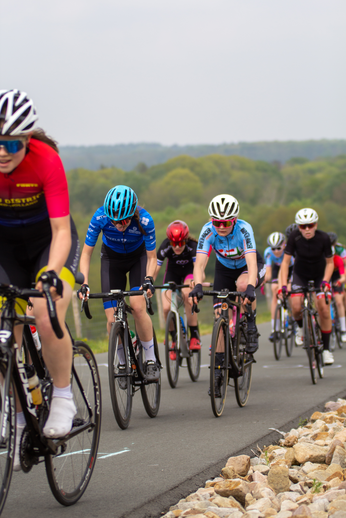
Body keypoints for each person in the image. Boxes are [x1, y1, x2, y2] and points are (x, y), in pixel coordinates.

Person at [0, 89, 80, 469]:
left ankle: (63, 396)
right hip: (6, 249)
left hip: (48, 244)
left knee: (45, 314)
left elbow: (61, 230)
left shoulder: (46, 160)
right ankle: (18, 419)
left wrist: (50, 272)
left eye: (12, 143)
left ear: (28, 140)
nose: (3, 151)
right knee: (3, 333)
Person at [78, 185, 159, 379]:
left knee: (138, 306)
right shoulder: (100, 217)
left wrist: (148, 280)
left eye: (123, 220)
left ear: (132, 214)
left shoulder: (145, 220)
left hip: (138, 259)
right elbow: (86, 254)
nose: (118, 224)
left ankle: (150, 359)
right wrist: (84, 283)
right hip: (111, 261)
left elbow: (151, 258)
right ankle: (123, 363)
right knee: (111, 318)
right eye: (114, 220)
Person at [189, 194, 265, 356]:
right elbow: (200, 264)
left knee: (243, 286)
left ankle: (250, 324)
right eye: (217, 222)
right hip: (224, 269)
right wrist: (197, 285)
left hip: (248, 266)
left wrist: (251, 288)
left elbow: (252, 264)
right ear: (211, 219)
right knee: (220, 318)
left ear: (235, 220)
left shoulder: (244, 229)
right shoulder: (207, 231)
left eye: (226, 223)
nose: (221, 227)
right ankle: (219, 366)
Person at [279, 208, 334, 364]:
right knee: (296, 307)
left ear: (315, 225)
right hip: (300, 275)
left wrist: (326, 281)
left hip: (320, 276)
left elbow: (330, 263)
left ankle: (326, 350)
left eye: (310, 225)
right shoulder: (294, 237)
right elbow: (285, 262)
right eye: (303, 226)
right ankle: (302, 328)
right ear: (298, 227)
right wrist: (283, 285)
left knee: (323, 309)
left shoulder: (324, 238)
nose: (307, 229)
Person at [154, 220, 201, 359]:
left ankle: (194, 335)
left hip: (189, 274)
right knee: (166, 308)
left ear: (186, 239)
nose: (178, 247)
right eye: (174, 244)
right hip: (172, 275)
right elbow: (155, 269)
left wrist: (196, 282)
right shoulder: (165, 246)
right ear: (170, 241)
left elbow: (199, 268)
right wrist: (148, 281)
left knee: (188, 294)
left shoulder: (193, 246)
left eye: (181, 243)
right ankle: (173, 339)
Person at [265, 232, 293, 342]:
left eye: (278, 248)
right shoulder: (268, 252)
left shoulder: (289, 251)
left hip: (291, 270)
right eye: (273, 248)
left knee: (290, 290)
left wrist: (290, 282)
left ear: (284, 245)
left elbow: (295, 269)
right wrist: (264, 280)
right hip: (278, 270)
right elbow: (269, 271)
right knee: (274, 291)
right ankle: (275, 329)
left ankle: (292, 316)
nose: (276, 251)